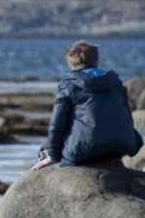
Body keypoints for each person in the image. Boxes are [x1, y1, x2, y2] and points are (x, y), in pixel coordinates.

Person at [31, 40, 143, 171]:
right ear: (96, 61)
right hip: (120, 148)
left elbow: (57, 125)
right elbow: (128, 119)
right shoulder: (116, 82)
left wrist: (53, 156)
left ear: (71, 65)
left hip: (86, 151)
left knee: (44, 150)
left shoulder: (69, 84)